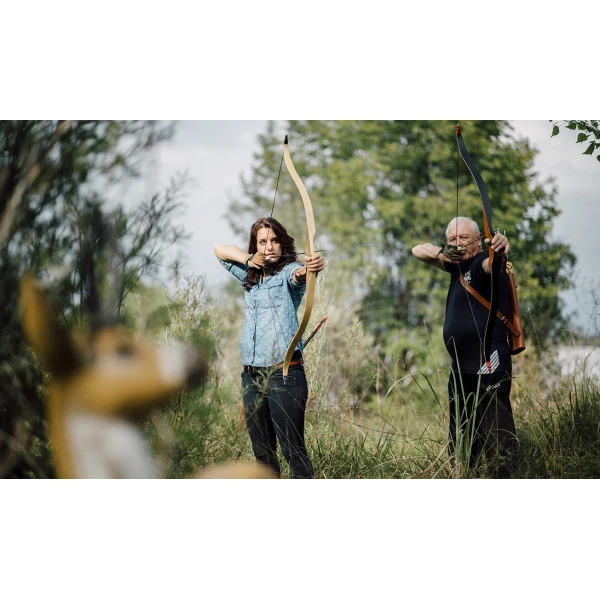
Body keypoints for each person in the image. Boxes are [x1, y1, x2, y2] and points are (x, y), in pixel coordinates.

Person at [214, 217, 325, 479]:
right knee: (262, 454)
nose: (269, 246)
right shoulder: (250, 274)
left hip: (284, 373)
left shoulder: (289, 271)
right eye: (262, 241)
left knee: (293, 450)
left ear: (283, 244)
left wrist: (312, 267)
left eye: (275, 240)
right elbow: (219, 250)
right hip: (252, 377)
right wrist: (248, 259)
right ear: (255, 245)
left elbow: (300, 276)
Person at [412, 216, 517, 478]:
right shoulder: (456, 267)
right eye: (453, 239)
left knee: (497, 436)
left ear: (479, 240)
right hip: (460, 368)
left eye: (464, 238)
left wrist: (499, 249)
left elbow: (494, 264)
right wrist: (443, 253)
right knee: (462, 437)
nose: (458, 243)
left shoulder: (483, 264)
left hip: (488, 361)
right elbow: (418, 250)